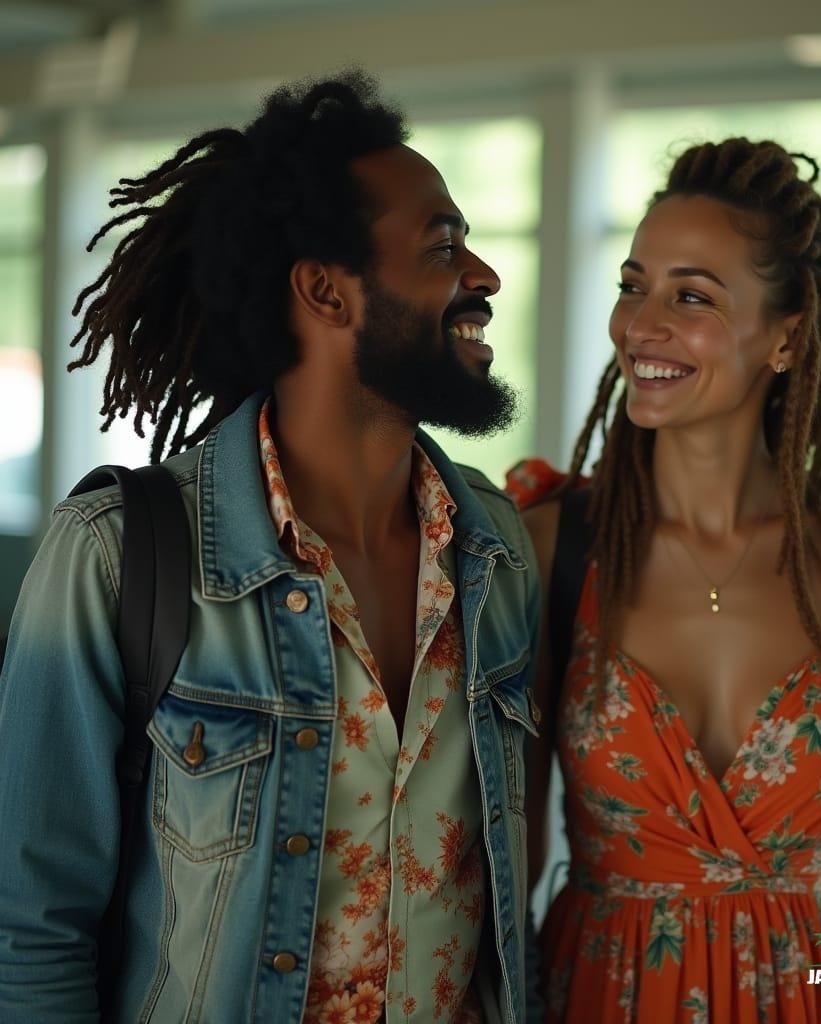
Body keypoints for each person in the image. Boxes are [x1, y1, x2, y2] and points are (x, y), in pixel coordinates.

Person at [0, 71, 541, 1024]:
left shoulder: (495, 550)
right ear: (326, 291)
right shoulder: (120, 556)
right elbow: (32, 926)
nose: (484, 276)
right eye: (444, 245)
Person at [507, 137, 821, 1022]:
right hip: (603, 996)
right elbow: (518, 843)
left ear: (787, 337)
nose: (639, 324)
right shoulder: (555, 546)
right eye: (633, 285)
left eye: (690, 296)